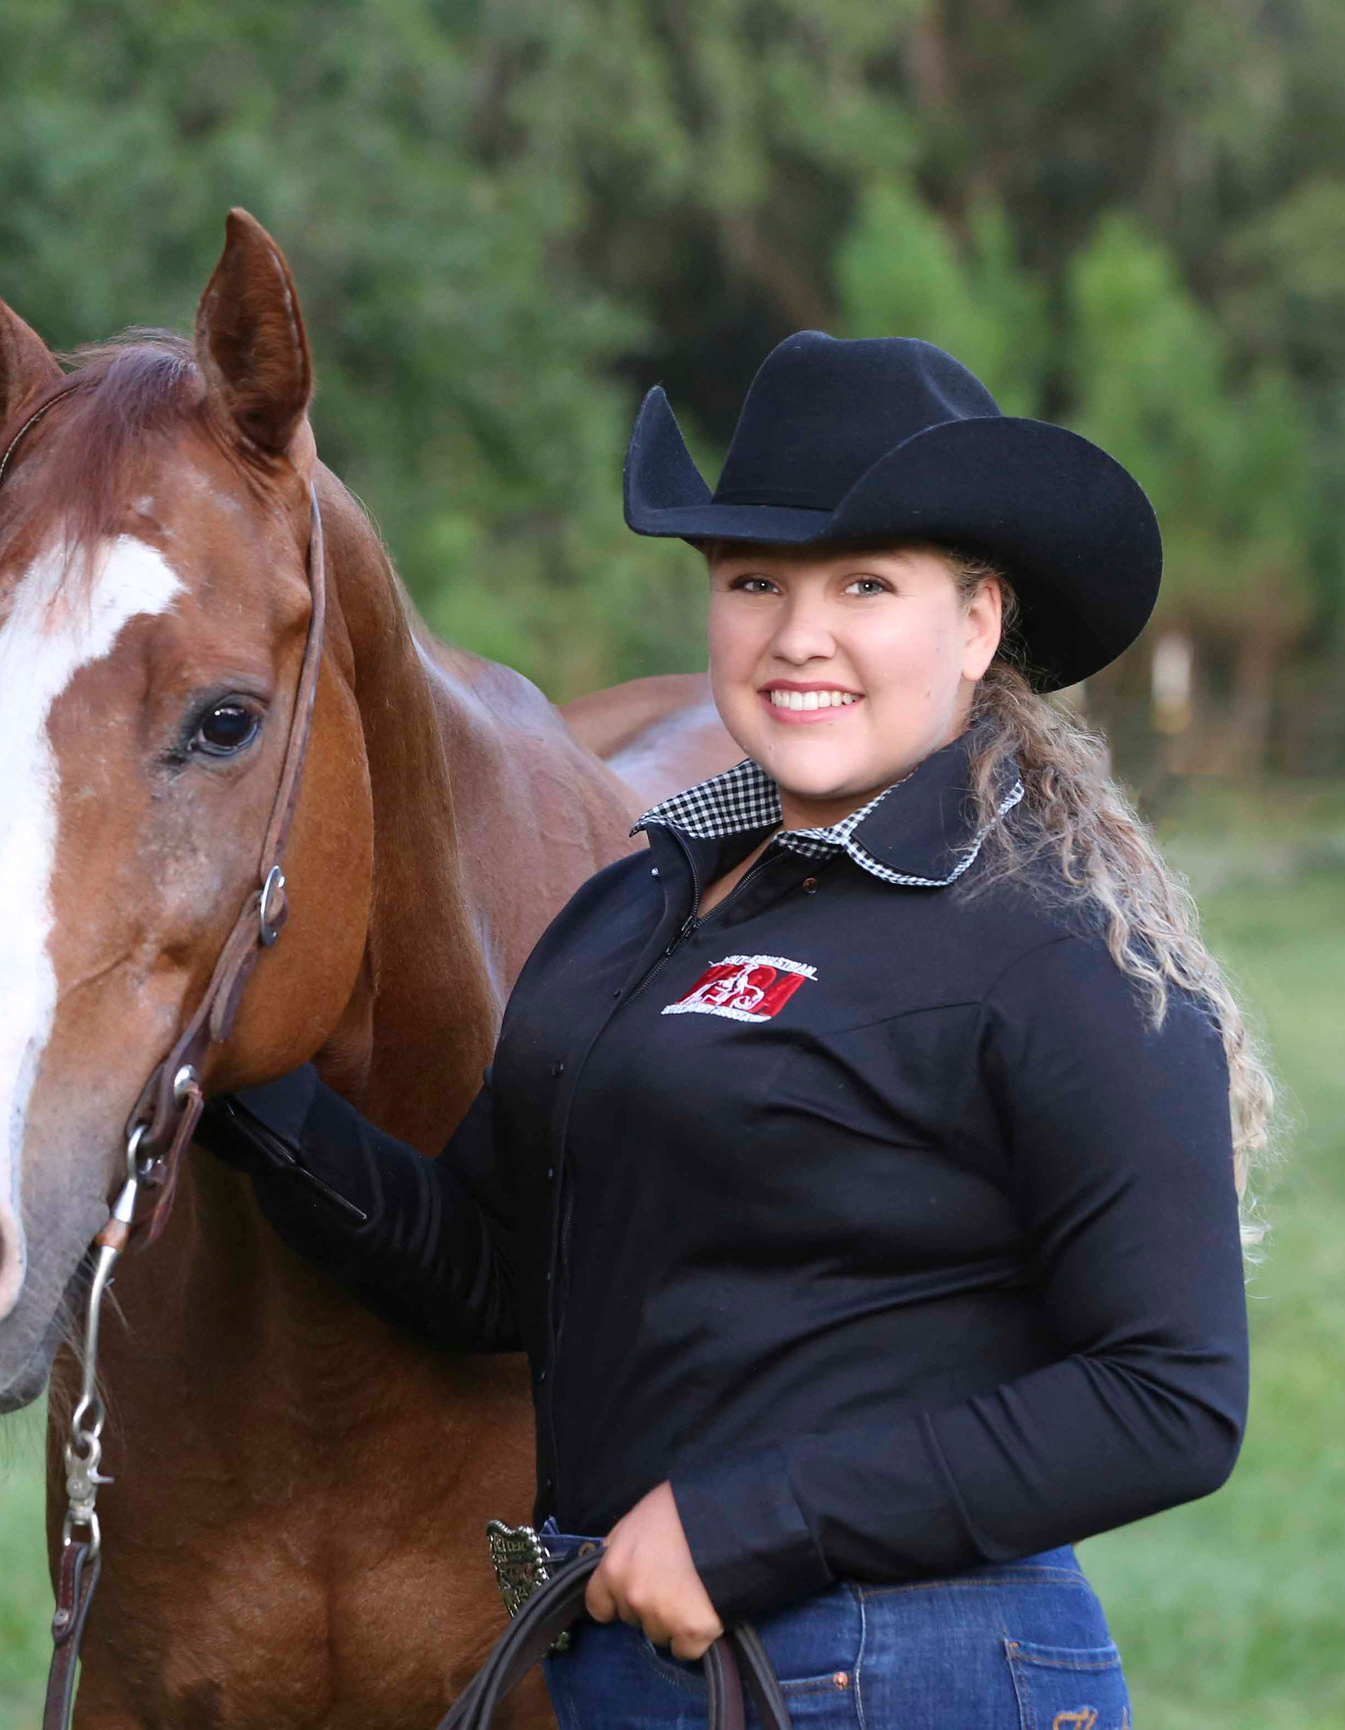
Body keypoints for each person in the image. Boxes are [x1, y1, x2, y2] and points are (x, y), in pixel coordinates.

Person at [197, 333, 1272, 1728]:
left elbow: (1169, 1394)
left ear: (979, 623)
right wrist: (245, 1084)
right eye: (754, 580)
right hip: (650, 1677)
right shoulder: (634, 911)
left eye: (866, 585)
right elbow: (495, 1272)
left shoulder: (1054, 941)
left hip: (914, 1671)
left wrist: (746, 1523)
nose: (797, 634)